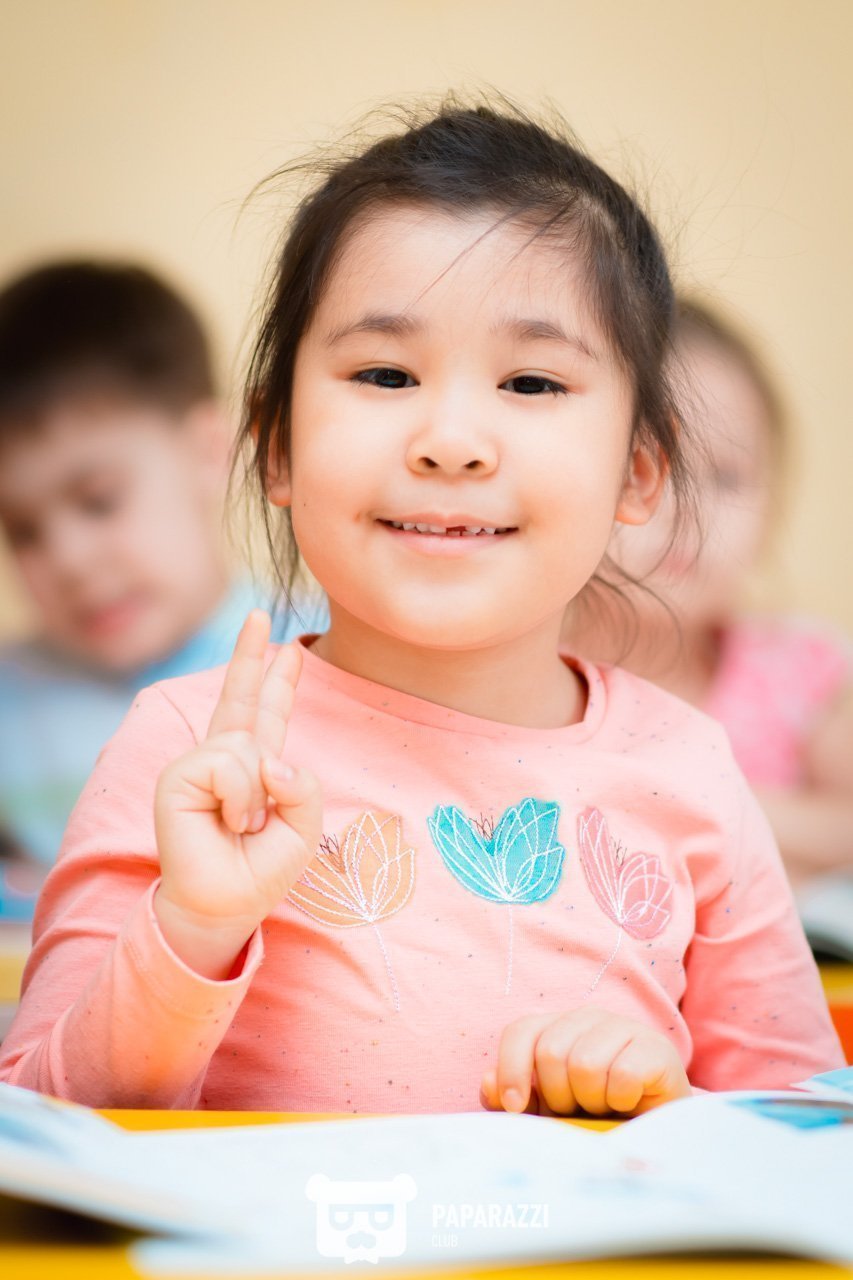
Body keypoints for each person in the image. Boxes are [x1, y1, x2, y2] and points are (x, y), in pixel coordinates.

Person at [0, 102, 842, 1114]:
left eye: (530, 382)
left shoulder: (691, 772)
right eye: (385, 373)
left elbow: (804, 1133)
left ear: (637, 472)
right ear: (277, 445)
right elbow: (37, 1119)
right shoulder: (186, 753)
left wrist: (672, 1108)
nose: (449, 441)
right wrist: (190, 926)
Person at [0, 261, 325, 883]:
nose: (67, 559)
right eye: (23, 532)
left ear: (208, 450)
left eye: (99, 501)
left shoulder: (330, 652)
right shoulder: (10, 705)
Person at [565, 298, 853, 956]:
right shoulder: (521, 677)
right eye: (646, 469)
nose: (690, 512)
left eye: (726, 478)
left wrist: (706, 805)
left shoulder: (797, 671)